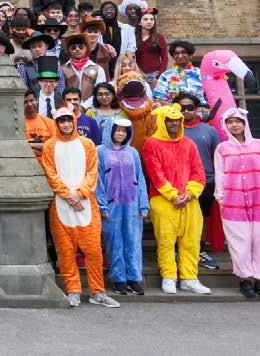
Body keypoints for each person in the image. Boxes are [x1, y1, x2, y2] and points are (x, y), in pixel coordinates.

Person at [39, 107, 120, 308]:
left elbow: (92, 172)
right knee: (65, 252)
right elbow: (50, 173)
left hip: (86, 205)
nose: (66, 124)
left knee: (93, 251)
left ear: (74, 121)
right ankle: (73, 290)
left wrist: (80, 193)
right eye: (62, 121)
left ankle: (98, 292)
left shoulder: (87, 144)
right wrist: (68, 195)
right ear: (57, 124)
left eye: (69, 120)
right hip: (61, 205)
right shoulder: (49, 146)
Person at [143, 103, 212, 295]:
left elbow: (198, 171)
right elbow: (155, 174)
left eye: (177, 120)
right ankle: (169, 276)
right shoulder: (151, 144)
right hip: (163, 199)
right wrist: (173, 195)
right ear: (161, 121)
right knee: (166, 240)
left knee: (191, 240)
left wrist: (190, 193)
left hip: (190, 199)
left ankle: (190, 278)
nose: (174, 124)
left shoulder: (189, 144)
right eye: (170, 120)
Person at [96, 118, 148, 296]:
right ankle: (119, 279)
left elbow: (140, 178)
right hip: (111, 205)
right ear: (110, 131)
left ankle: (133, 278)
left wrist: (143, 205)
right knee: (114, 242)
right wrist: (102, 205)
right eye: (117, 130)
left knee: (133, 241)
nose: (121, 134)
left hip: (132, 205)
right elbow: (98, 180)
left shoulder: (133, 152)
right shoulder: (100, 151)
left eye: (124, 131)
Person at [213, 107, 260, 298]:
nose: (234, 125)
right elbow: (219, 174)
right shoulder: (222, 148)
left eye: (238, 121)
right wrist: (221, 198)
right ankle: (244, 279)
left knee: (258, 241)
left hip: (257, 201)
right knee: (240, 242)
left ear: (245, 123)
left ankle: (258, 278)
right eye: (230, 122)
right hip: (233, 204)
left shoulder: (258, 145)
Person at [172, 92, 222, 271]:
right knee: (178, 219)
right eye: (182, 108)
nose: (186, 111)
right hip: (177, 183)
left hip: (205, 181)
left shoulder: (209, 131)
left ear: (196, 109)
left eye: (190, 108)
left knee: (202, 218)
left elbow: (218, 157)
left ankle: (199, 250)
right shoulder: (171, 129)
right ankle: (177, 252)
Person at [60, 34, 106, 107]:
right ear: (69, 50)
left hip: (92, 108)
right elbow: (61, 91)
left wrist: (84, 106)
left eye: (81, 47)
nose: (77, 49)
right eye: (73, 47)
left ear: (86, 48)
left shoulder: (98, 69)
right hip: (69, 108)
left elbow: (100, 91)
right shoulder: (62, 69)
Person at [152, 40, 203, 105]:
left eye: (183, 52)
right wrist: (177, 108)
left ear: (190, 55)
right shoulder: (166, 76)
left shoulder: (201, 74)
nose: (180, 56)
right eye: (176, 53)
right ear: (173, 56)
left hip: (199, 109)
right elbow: (159, 99)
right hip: (174, 110)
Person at [134, 8, 167, 87]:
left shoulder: (159, 37)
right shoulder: (133, 37)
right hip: (138, 74)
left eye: (151, 19)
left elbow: (165, 58)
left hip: (155, 75)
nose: (149, 22)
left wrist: (159, 75)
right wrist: (136, 72)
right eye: (145, 19)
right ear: (139, 22)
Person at [24, 91, 58, 157]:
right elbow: (17, 147)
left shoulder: (50, 122)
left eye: (31, 100)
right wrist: (42, 149)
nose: (29, 104)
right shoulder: (18, 125)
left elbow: (54, 146)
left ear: (37, 100)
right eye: (25, 102)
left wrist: (28, 145)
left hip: (47, 162)